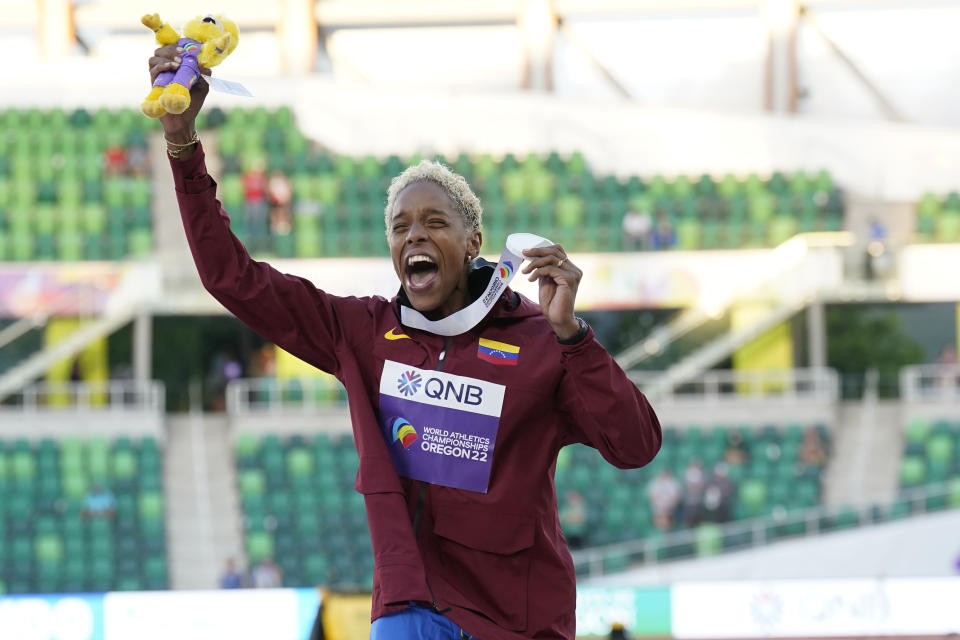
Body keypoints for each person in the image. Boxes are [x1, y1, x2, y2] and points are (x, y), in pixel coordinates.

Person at [149, 44, 661, 640]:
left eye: (434, 223)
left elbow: (636, 445)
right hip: (409, 608)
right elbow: (232, 278)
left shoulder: (543, 339)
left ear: (473, 243)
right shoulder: (363, 333)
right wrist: (183, 146)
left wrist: (573, 338)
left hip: (520, 620)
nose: (414, 234)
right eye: (400, 226)